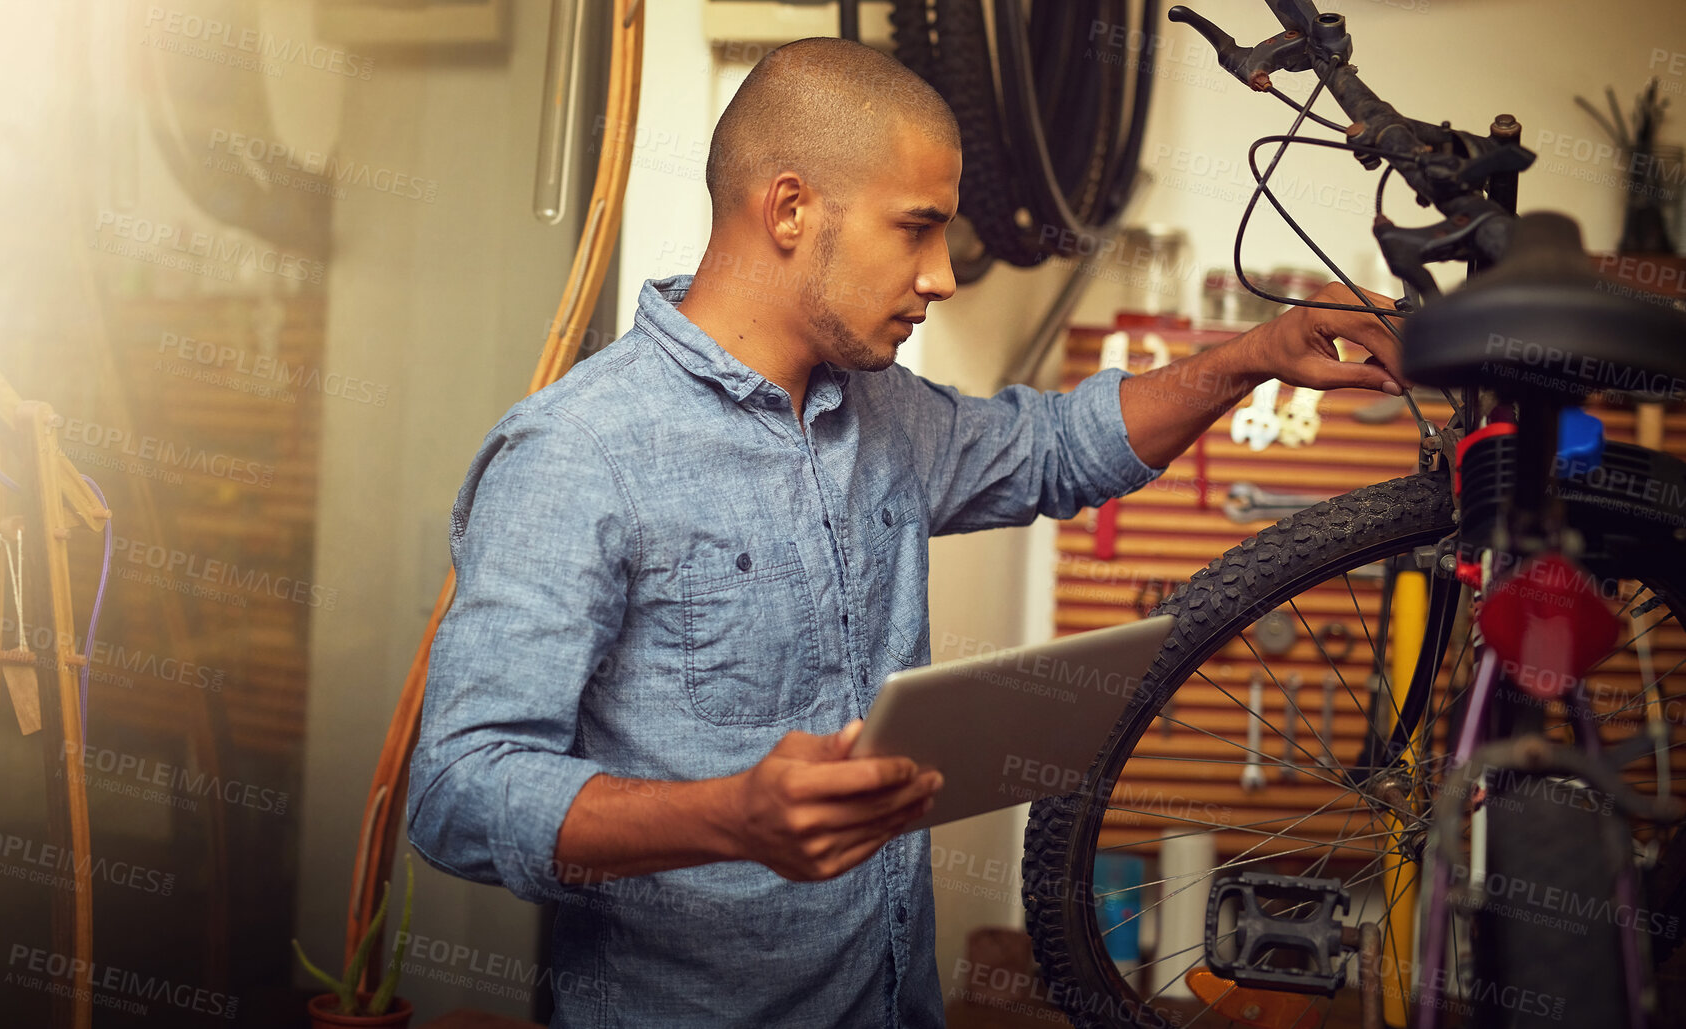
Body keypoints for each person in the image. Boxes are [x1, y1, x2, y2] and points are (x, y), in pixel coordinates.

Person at [406, 36, 1405, 1029]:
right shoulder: (577, 450)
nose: (941, 277)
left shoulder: (878, 411)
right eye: (916, 229)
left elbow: (1054, 447)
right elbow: (458, 790)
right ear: (789, 210)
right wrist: (729, 818)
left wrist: (1251, 357)